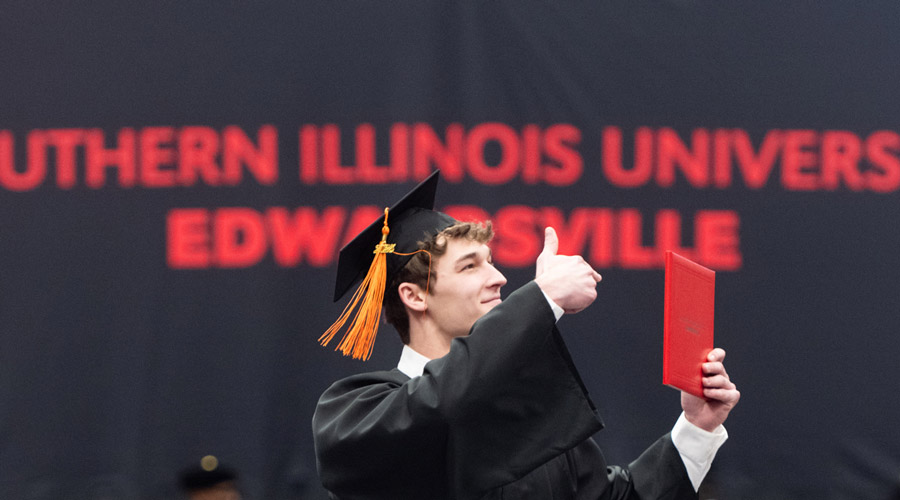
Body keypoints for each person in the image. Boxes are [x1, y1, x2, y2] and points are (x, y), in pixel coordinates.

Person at [312, 171, 740, 500]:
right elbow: (442, 403)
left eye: (491, 261)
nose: (499, 278)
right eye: (469, 266)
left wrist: (697, 428)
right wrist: (542, 299)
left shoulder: (526, 414)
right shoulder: (357, 415)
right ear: (414, 295)